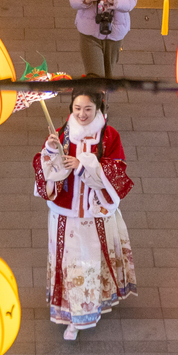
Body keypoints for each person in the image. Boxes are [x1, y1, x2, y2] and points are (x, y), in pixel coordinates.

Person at [33, 88, 137, 340]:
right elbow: (46, 169)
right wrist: (50, 151)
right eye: (77, 109)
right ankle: (74, 315)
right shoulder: (61, 134)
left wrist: (83, 166)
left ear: (99, 109)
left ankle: (85, 311)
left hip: (95, 214)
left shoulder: (109, 136)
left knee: (90, 263)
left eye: (88, 109)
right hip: (66, 214)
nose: (81, 114)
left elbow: (116, 174)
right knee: (72, 265)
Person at [69, 0, 137, 78]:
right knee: (95, 76)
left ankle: (102, 98)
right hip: (90, 33)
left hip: (115, 32)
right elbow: (74, 0)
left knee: (108, 77)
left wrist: (114, 0)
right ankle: (93, 97)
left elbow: (131, 1)